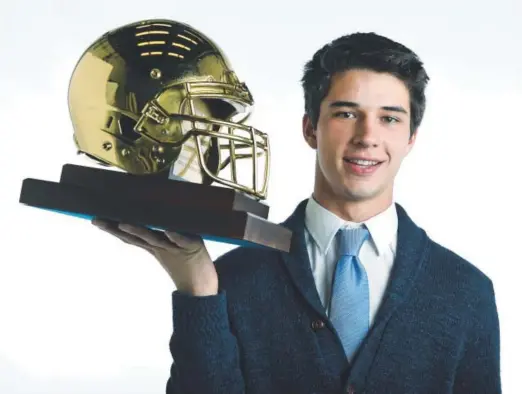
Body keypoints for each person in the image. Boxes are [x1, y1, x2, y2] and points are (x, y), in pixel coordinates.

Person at [93, 31, 502, 394]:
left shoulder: (466, 293)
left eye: (390, 119)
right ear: (310, 128)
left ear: (411, 137)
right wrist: (198, 289)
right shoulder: (229, 282)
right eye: (346, 113)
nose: (367, 137)